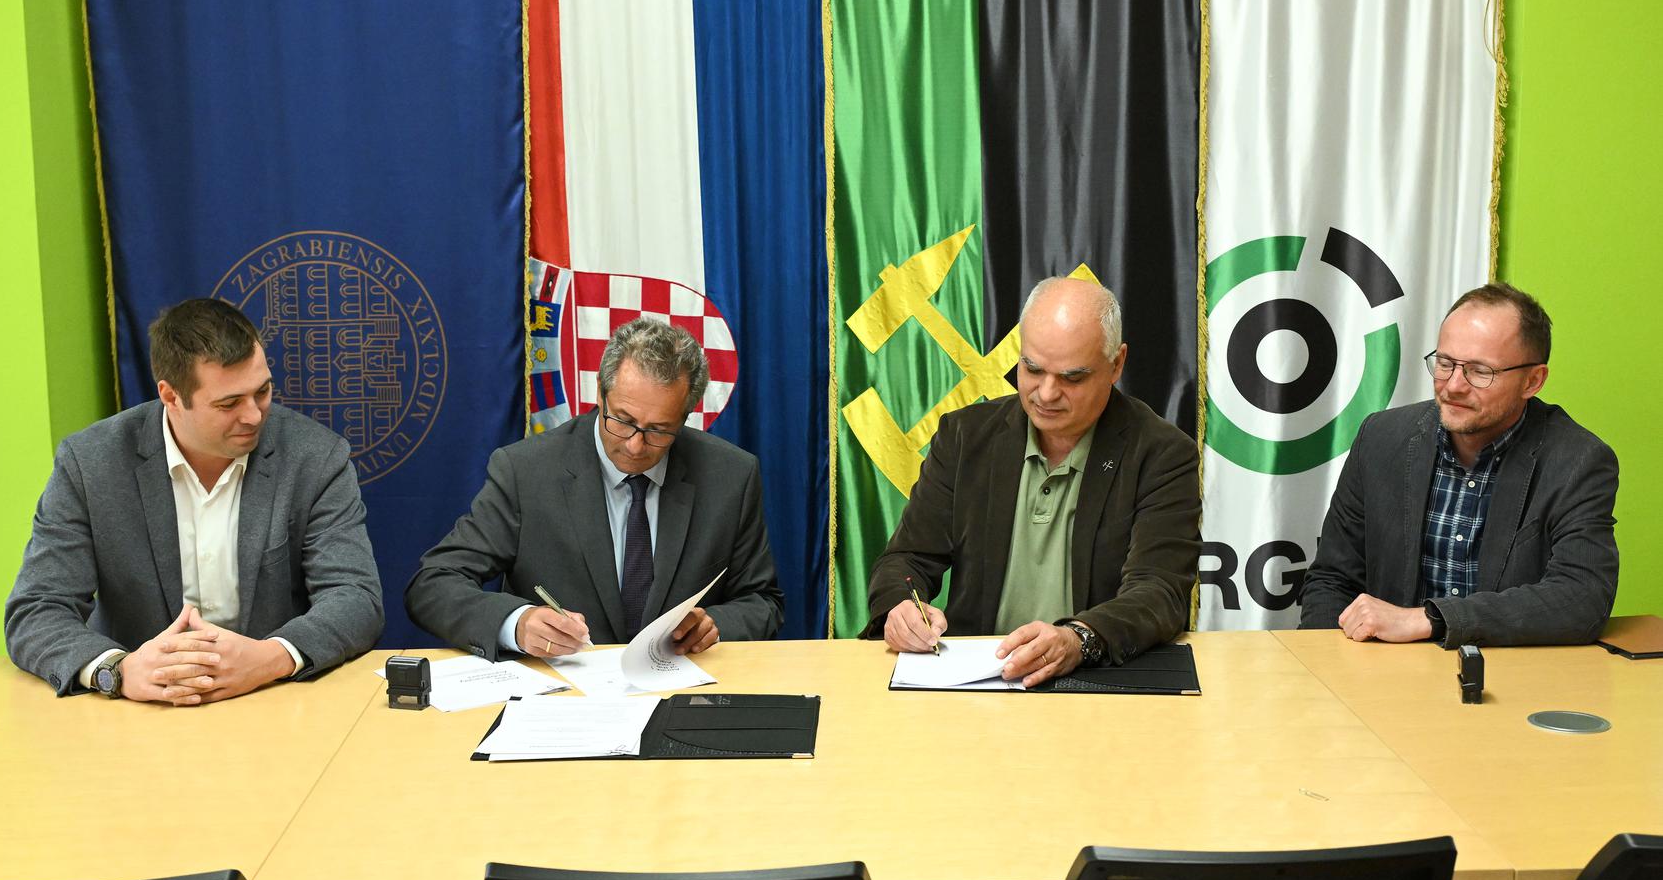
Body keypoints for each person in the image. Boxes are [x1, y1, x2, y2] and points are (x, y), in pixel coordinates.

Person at [5, 298, 384, 702]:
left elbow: (354, 596)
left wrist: (270, 658)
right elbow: (37, 609)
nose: (254, 415)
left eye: (262, 391)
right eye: (228, 403)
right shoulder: (91, 463)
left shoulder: (314, 457)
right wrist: (117, 671)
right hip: (137, 710)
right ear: (170, 396)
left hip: (272, 699)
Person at [865, 276, 1201, 688]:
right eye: (1032, 369)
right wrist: (901, 607)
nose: (1046, 393)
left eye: (1072, 378)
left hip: (1097, 683)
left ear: (1117, 364)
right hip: (975, 683)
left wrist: (1079, 639)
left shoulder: (1163, 454)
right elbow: (906, 560)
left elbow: (1159, 591)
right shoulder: (964, 437)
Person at [407, 317, 782, 658]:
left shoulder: (730, 476)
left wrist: (715, 626)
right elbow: (433, 584)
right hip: (562, 693)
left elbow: (762, 601)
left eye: (659, 430)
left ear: (685, 417)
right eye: (623, 420)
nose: (635, 445)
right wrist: (516, 624)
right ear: (600, 395)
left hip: (682, 688)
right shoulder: (525, 472)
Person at [1299, 282, 1619, 645]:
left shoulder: (1577, 460)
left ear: (1533, 381)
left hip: (1507, 669)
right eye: (1445, 363)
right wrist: (1327, 665)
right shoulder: (1380, 439)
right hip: (1385, 668)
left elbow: (1582, 597)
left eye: (1480, 372)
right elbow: (1332, 581)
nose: (1453, 386)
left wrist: (1432, 620)